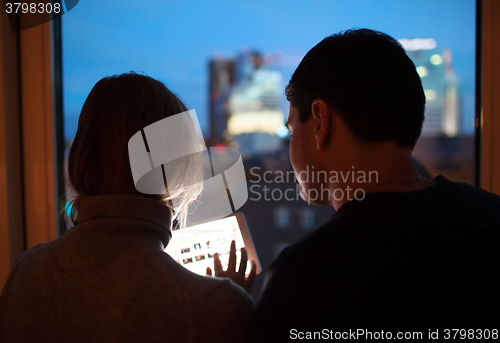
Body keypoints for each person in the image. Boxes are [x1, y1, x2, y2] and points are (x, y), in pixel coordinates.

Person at [249, 29, 500, 341]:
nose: (289, 151)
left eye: (291, 130)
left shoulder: (309, 279)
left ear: (319, 122)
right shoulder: (490, 215)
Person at [0, 72, 255, 342]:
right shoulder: (215, 305)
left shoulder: (26, 275)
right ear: (179, 170)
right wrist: (229, 304)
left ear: (83, 153)